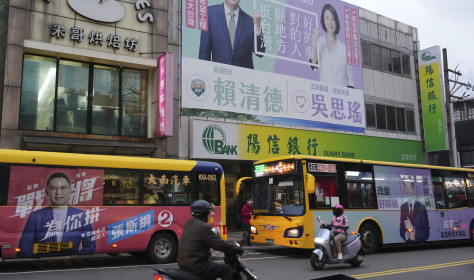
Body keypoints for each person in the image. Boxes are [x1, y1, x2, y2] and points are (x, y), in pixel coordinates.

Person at [17, 172, 96, 258]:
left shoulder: (81, 215)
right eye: (53, 189)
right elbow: (24, 249)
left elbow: (90, 246)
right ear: (47, 192)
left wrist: (75, 257)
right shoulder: (35, 216)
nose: (58, 192)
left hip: (71, 265)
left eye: (63, 188)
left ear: (70, 190)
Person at [178, 200, 243, 280]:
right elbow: (218, 244)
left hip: (184, 263)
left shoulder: (189, 222)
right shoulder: (203, 227)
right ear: (204, 214)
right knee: (227, 270)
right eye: (208, 212)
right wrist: (235, 248)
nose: (209, 215)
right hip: (196, 265)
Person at [199, 0, 265, 69]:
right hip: (218, 75)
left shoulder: (250, 22)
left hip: (243, 78)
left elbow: (260, 53)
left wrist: (257, 26)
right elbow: (204, 53)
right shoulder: (209, 13)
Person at [310, 3, 354, 87]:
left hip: (341, 96)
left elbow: (350, 80)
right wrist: (315, 40)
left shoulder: (344, 49)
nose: (330, 22)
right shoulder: (320, 43)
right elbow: (313, 64)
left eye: (332, 19)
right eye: (327, 18)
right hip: (324, 94)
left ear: (336, 22)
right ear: (323, 20)